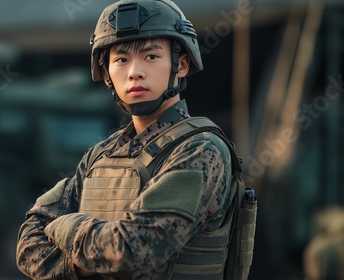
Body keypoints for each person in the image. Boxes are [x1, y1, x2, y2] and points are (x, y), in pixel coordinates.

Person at [16, 0, 248, 279]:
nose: (134, 71)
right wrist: (89, 265)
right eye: (121, 60)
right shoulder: (101, 155)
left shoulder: (200, 150)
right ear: (107, 75)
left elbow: (132, 252)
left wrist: (69, 228)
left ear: (181, 65)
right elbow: (28, 244)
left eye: (151, 57)